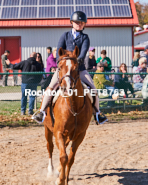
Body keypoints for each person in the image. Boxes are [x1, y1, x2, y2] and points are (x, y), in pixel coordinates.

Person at [33, 11, 108, 124]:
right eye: (77, 22)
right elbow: (59, 50)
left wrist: (78, 60)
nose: (79, 24)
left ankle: (97, 114)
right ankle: (41, 112)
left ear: (84, 24)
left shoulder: (85, 37)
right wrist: (61, 63)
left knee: (93, 89)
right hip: (63, 69)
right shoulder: (65, 35)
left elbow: (83, 53)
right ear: (72, 22)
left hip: (79, 69)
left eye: (82, 23)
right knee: (50, 87)